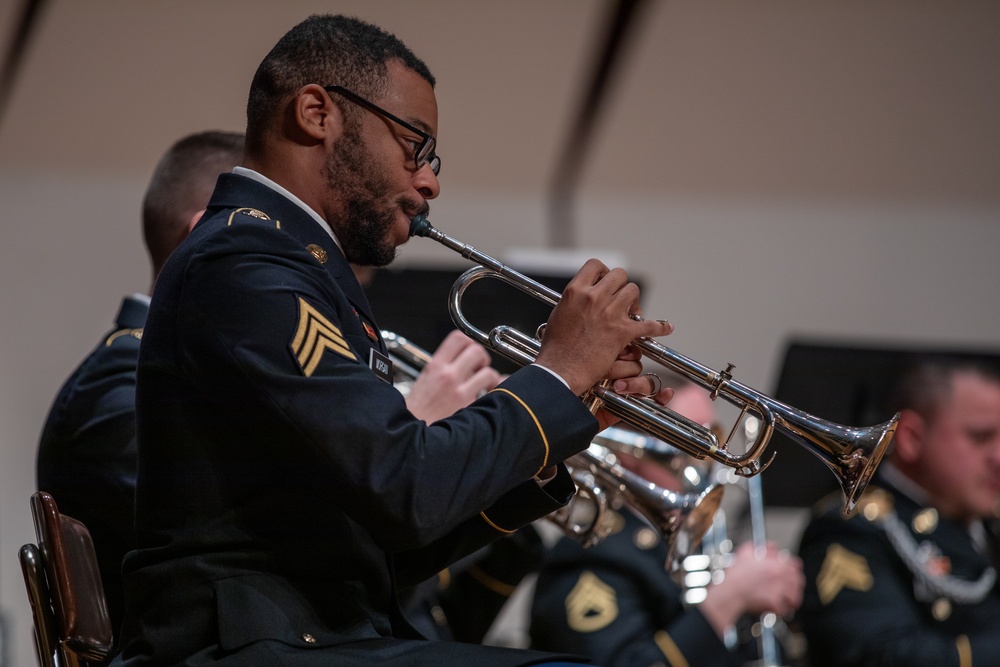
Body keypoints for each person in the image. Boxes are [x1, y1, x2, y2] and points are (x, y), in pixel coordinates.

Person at [111, 14, 672, 667]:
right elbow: (406, 485)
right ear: (317, 112)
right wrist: (555, 375)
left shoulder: (291, 265)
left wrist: (567, 417)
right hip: (243, 646)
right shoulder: (245, 262)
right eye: (415, 145)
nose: (429, 182)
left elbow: (392, 539)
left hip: (305, 635)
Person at [36, 130, 245, 638]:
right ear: (206, 236)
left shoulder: (183, 374)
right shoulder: (118, 387)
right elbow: (228, 541)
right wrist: (391, 441)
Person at [530, 380, 805, 667]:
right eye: (691, 439)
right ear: (631, 449)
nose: (710, 456)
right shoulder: (591, 551)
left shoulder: (702, 540)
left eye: (713, 438)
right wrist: (729, 598)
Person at [797, 358, 1000, 666]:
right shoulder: (852, 529)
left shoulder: (988, 526)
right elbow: (885, 656)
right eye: (980, 437)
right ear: (911, 438)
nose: (998, 457)